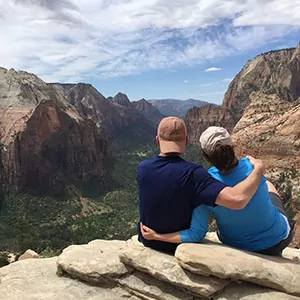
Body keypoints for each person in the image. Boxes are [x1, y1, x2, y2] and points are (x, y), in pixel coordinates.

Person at [141, 126, 293, 255]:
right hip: (276, 242)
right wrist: (259, 168)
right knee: (269, 187)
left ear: (204, 155)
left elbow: (196, 233)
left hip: (234, 244)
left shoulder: (204, 184)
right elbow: (239, 198)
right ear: (233, 147)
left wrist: (158, 236)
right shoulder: (251, 168)